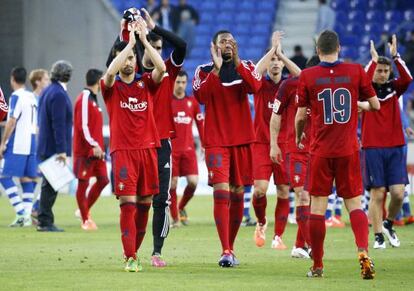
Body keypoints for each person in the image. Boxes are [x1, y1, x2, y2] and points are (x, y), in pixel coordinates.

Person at [295, 30, 379, 279]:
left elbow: (301, 115)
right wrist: (357, 104)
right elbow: (375, 105)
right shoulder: (355, 71)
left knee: (318, 208)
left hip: (320, 150)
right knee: (354, 203)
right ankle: (363, 252)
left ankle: (318, 265)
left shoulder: (308, 75)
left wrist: (300, 134)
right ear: (339, 48)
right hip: (348, 149)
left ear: (317, 50)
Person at [193, 30, 262, 267]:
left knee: (237, 191)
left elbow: (255, 87)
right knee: (221, 190)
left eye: (232, 42)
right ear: (214, 46)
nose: (228, 45)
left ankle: (230, 248)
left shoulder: (247, 67)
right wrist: (217, 67)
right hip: (217, 141)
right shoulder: (203, 71)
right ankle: (225, 249)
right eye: (223, 41)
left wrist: (238, 62)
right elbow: (201, 96)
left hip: (242, 140)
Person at [101, 20, 166, 272]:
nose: (128, 62)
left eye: (131, 59)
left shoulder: (147, 84)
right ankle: (130, 256)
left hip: (148, 150)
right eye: (123, 59)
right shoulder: (111, 88)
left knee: (145, 204)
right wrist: (128, 44)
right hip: (123, 152)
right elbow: (108, 73)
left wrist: (143, 42)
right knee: (127, 202)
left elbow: (161, 66)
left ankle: (134, 252)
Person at [362, 36, 413, 249]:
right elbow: (363, 79)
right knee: (377, 193)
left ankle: (388, 223)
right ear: (373, 70)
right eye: (378, 70)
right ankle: (378, 236)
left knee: (399, 194)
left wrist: (395, 56)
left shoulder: (395, 88)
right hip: (373, 146)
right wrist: (373, 60)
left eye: (385, 70)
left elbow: (408, 79)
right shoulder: (365, 90)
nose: (382, 74)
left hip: (395, 145)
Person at [251, 31, 301, 250]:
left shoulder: (289, 86)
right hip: (261, 144)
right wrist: (273, 50)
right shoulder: (260, 85)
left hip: (285, 145)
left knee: (283, 191)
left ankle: (278, 236)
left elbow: (303, 76)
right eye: (272, 61)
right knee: (259, 190)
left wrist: (282, 55)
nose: (274, 64)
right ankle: (261, 222)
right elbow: (254, 71)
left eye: (277, 61)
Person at [270, 55, 321, 259]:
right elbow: (276, 116)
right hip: (297, 149)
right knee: (303, 195)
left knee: (314, 198)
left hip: (319, 150)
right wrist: (274, 144)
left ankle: (299, 245)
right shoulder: (289, 85)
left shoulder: (326, 89)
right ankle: (312, 246)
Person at [37, 60, 73, 232]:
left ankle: (43, 217)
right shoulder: (58, 93)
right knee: (51, 186)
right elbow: (58, 124)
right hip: (53, 147)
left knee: (48, 185)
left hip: (45, 144)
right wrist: (61, 150)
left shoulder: (47, 90)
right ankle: (45, 221)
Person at [0, 67, 38, 227]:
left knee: (4, 176)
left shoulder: (16, 96)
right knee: (26, 178)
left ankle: (21, 212)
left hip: (18, 142)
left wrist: (3, 142)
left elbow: (13, 120)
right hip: (32, 141)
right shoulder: (31, 96)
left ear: (12, 79)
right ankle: (27, 215)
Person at [73, 69, 109, 231]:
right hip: (86, 151)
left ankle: (83, 211)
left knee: (103, 180)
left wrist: (98, 146)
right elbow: (82, 125)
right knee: (83, 183)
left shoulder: (94, 99)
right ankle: (85, 219)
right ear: (98, 80)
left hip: (96, 150)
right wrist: (93, 144)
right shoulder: (85, 97)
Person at [169, 70, 204, 227]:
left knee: (193, 182)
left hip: (188, 149)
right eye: (178, 82)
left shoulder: (192, 102)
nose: (181, 85)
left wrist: (204, 144)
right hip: (171, 150)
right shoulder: (166, 101)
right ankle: (175, 219)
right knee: (173, 184)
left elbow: (200, 124)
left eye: (183, 82)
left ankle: (180, 206)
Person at [28, 69, 50, 222]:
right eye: (46, 79)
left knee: (47, 178)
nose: (48, 81)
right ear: (37, 81)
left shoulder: (45, 97)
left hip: (43, 142)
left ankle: (35, 208)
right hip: (34, 143)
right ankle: (30, 209)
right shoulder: (31, 99)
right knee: (38, 178)